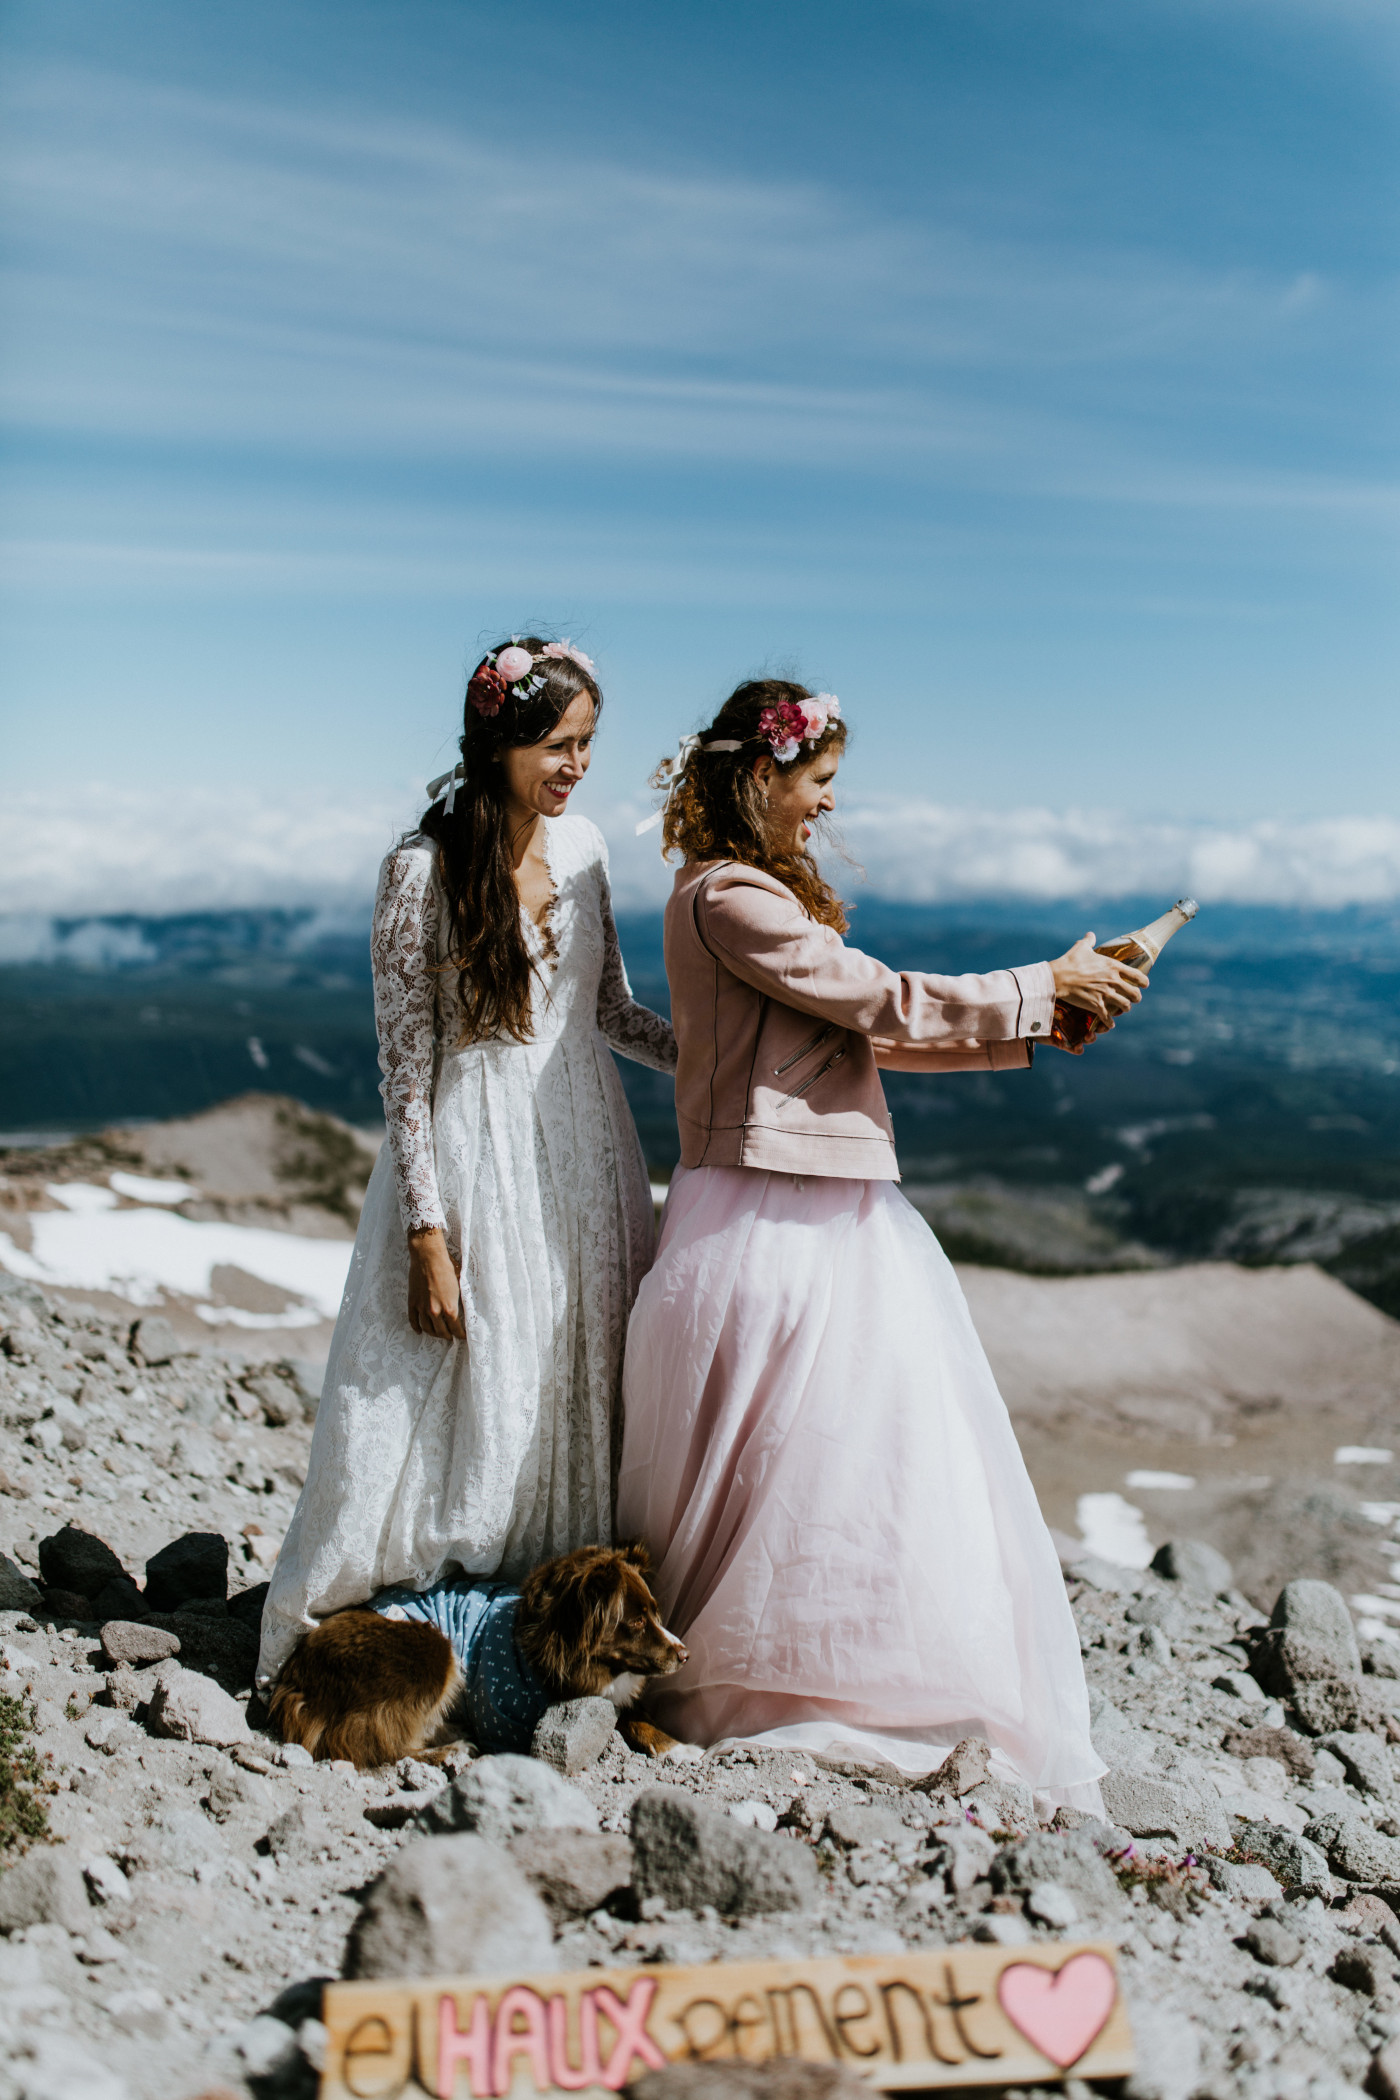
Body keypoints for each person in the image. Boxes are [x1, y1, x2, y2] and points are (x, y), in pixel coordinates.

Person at [616, 679, 1146, 1808]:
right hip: (771, 1217)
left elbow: (872, 1037)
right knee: (805, 1462)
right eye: (816, 784)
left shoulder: (741, 892)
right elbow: (883, 1001)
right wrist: (1036, 985)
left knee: (849, 1462)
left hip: (812, 1207)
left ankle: (835, 1678)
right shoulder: (729, 899)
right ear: (759, 778)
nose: (826, 805)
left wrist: (1043, 1018)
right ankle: (773, 1690)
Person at [258, 639, 676, 1689]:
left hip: (584, 1149)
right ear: (497, 740)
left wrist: (715, 1060)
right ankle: (372, 1622)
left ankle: (533, 1636)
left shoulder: (582, 849)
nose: (575, 765)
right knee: (444, 1388)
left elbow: (611, 1011)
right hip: (468, 1157)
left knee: (561, 1374)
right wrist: (424, 1236)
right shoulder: (419, 869)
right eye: (554, 743)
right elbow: (403, 1073)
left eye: (586, 745)